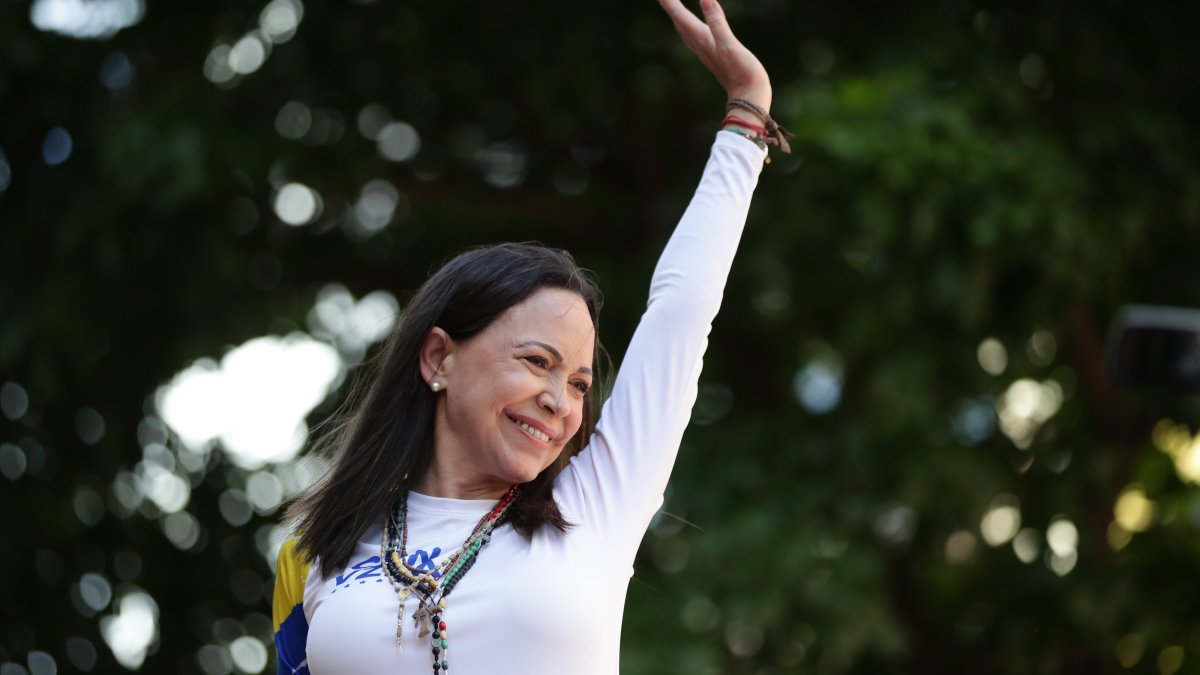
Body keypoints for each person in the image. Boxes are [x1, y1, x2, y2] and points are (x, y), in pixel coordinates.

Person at [272, 0, 788, 672]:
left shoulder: (596, 504)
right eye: (537, 361)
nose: (561, 400)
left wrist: (747, 113)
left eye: (577, 382)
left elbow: (681, 310)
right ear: (438, 357)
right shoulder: (317, 550)